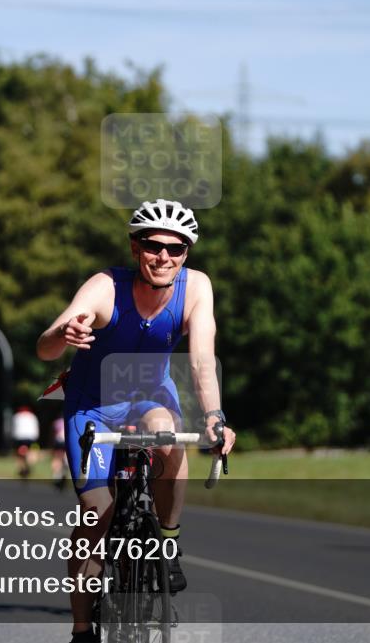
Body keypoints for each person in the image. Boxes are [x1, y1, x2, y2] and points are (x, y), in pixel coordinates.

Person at [37, 198, 236, 643]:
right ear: (134, 247)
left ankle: (167, 541)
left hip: (150, 396)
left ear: (186, 253)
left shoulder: (196, 287)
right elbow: (46, 347)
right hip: (93, 403)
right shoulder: (105, 288)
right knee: (96, 515)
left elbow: (202, 360)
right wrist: (62, 335)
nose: (164, 256)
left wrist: (214, 416)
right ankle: (83, 629)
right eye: (152, 245)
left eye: (176, 247)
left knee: (169, 437)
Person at [11, 406, 40, 479]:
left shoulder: (17, 416)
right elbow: (36, 428)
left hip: (19, 437)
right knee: (30, 452)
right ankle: (28, 466)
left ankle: (21, 468)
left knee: (19, 454)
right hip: (31, 437)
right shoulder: (32, 416)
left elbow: (14, 428)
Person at [50, 416, 68, 490]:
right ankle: (63, 473)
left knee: (57, 458)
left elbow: (54, 433)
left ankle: (57, 476)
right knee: (65, 459)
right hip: (66, 441)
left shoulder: (57, 422)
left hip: (59, 441)